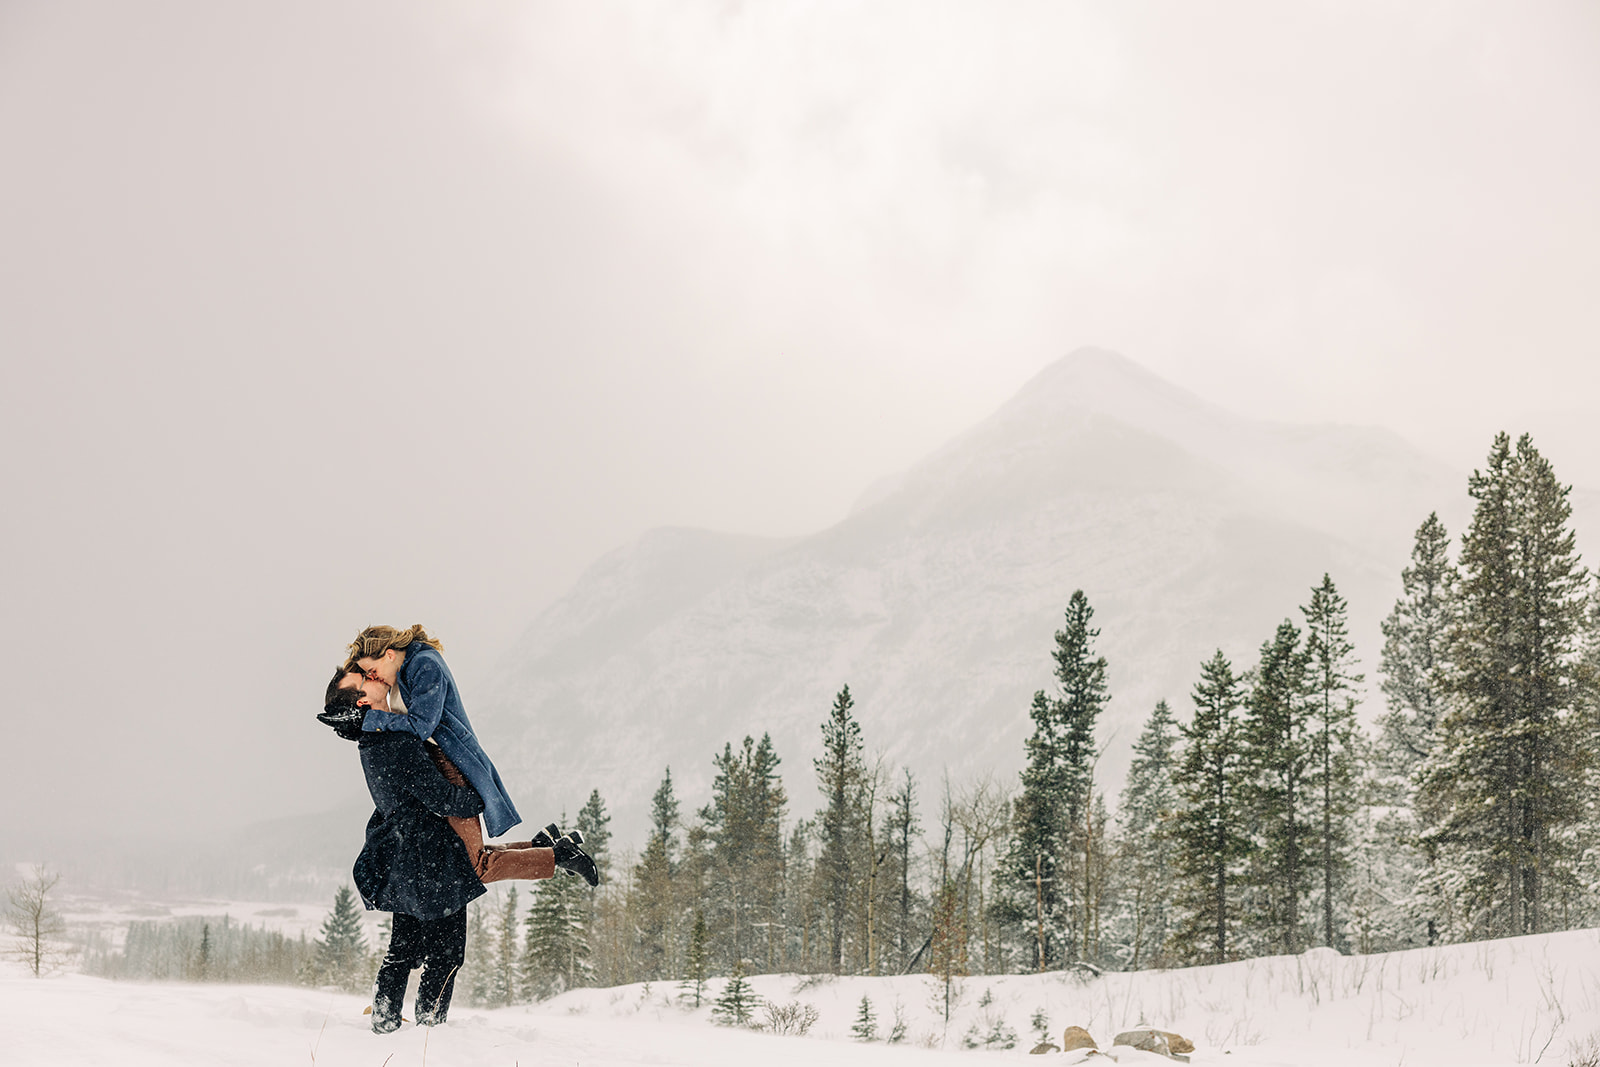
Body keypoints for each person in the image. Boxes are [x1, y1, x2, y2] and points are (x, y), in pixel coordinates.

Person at [319, 681, 596, 1033]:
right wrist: (478, 799)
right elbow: (440, 798)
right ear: (363, 700)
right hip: (431, 860)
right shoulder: (395, 742)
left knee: (403, 950)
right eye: (366, 679)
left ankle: (385, 1020)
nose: (376, 677)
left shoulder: (375, 740)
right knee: (446, 954)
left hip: (409, 858)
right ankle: (429, 1029)